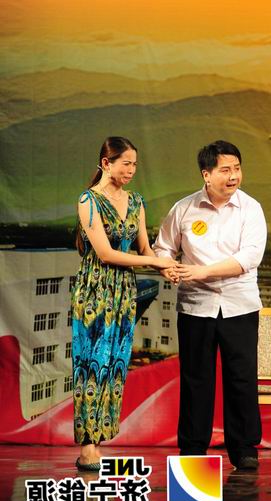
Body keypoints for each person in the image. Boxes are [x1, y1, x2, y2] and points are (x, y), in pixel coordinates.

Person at [154, 140, 267, 470]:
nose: (233, 176)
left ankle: (244, 448)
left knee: (241, 377)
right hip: (195, 306)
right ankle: (193, 447)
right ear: (206, 174)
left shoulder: (251, 209)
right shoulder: (184, 209)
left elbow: (250, 257)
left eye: (237, 169)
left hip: (239, 305)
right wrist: (168, 267)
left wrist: (203, 271)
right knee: (196, 379)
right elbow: (163, 247)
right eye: (225, 170)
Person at [71, 136, 177, 471]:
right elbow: (105, 253)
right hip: (95, 290)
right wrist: (156, 263)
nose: (131, 170)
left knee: (115, 364)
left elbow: (144, 249)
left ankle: (100, 438)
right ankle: (88, 445)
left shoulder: (136, 201)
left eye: (134, 164)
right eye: (125, 163)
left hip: (123, 293)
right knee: (91, 364)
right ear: (106, 163)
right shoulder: (89, 200)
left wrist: (167, 267)